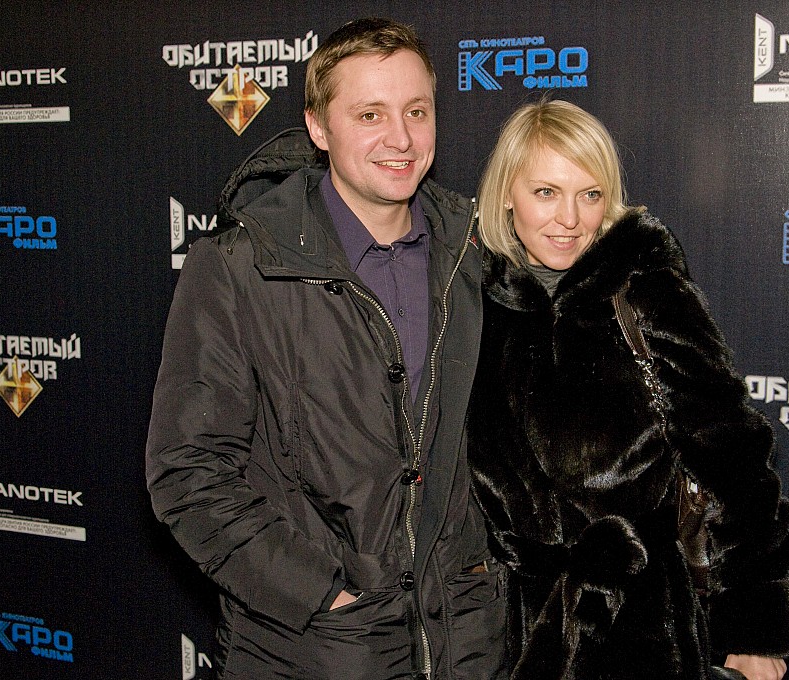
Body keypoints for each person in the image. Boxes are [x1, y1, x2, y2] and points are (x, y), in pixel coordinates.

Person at [146, 17, 506, 680]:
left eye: (416, 111)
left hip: (465, 645)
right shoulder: (238, 267)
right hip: (314, 652)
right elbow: (188, 473)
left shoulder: (475, 252)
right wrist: (319, 593)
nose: (401, 138)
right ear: (318, 127)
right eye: (370, 114)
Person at [467, 99, 789, 680]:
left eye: (590, 195)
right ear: (506, 195)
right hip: (504, 624)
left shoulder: (643, 290)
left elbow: (735, 459)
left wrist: (754, 629)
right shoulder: (472, 302)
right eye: (546, 192)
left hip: (640, 622)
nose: (569, 218)